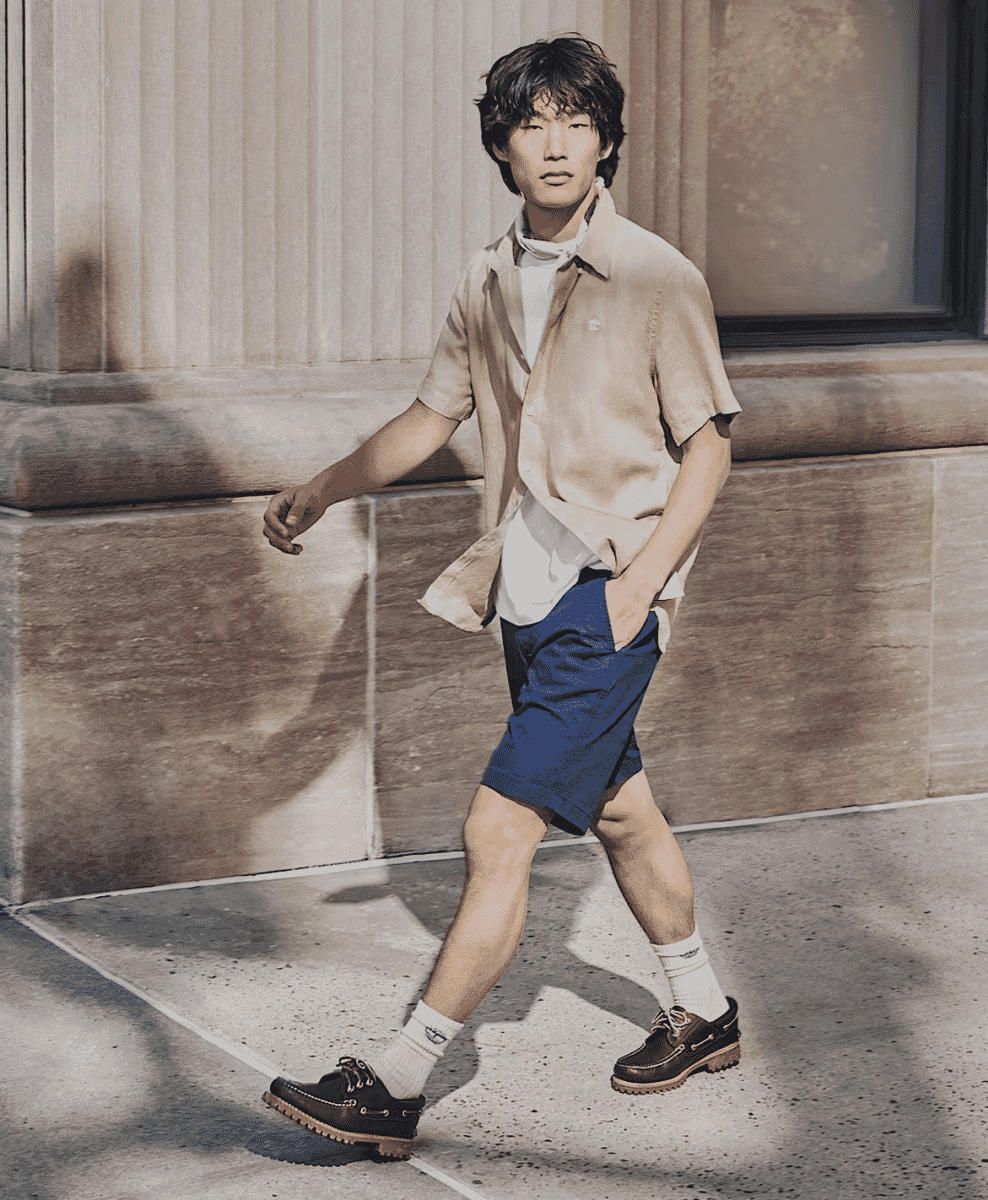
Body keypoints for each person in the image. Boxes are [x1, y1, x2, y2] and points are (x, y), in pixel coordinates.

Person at [260, 35, 742, 1160]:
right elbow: (432, 419)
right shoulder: (484, 277)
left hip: (604, 595)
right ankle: (705, 1012)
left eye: (578, 120)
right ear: (502, 145)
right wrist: (321, 490)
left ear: (607, 139)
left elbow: (708, 448)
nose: (558, 141)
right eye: (534, 122)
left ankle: (397, 1075)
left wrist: (636, 589)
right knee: (618, 807)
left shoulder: (658, 277)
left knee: (496, 831)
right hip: (522, 596)